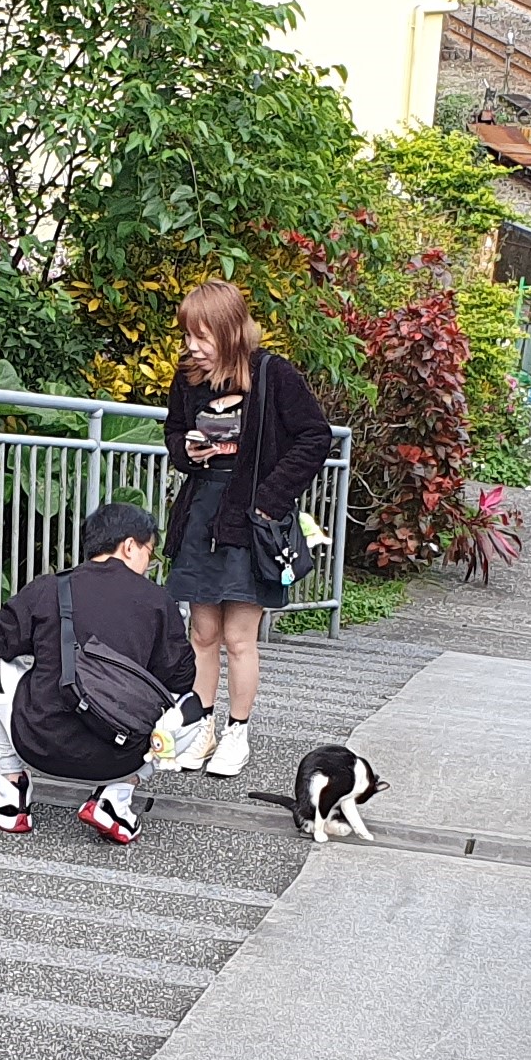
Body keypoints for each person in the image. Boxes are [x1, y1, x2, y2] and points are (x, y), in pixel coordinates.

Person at [0, 502, 201, 846]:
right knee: (191, 707)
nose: (148, 565)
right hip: (121, 754)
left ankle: (10, 788)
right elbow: (181, 680)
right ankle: (118, 796)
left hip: (41, 745)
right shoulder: (158, 602)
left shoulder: (50, 588)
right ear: (129, 545)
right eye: (149, 554)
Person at [161, 280, 332, 778]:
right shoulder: (189, 378)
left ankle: (237, 732)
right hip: (201, 513)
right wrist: (187, 451)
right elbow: (173, 432)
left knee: (240, 636)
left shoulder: (272, 374)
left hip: (250, 520)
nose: (193, 346)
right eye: (189, 334)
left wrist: (268, 500)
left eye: (203, 335)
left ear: (231, 331)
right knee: (202, 632)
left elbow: (314, 436)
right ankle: (200, 728)